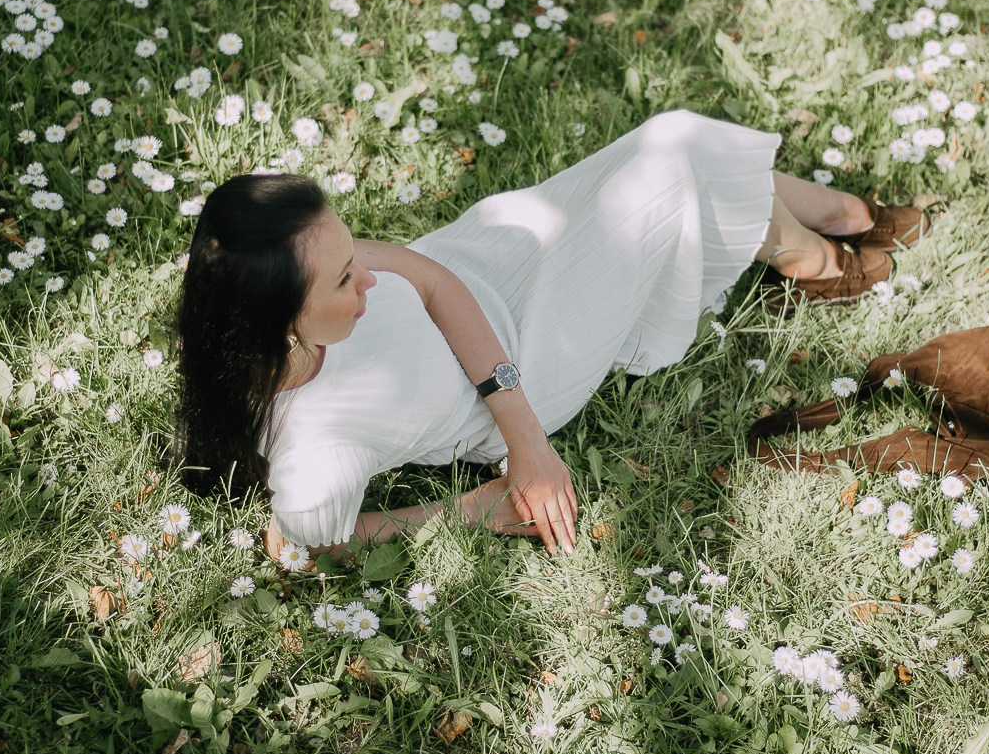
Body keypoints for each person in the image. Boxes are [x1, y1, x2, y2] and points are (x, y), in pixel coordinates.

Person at [171, 108, 931, 564]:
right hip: (538, 352)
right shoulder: (315, 449)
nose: (367, 275)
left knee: (676, 148)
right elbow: (309, 545)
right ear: (280, 321)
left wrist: (525, 442)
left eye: (351, 255)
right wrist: (478, 504)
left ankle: (836, 225)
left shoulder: (283, 273)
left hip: (494, 259)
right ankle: (826, 250)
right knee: (674, 153)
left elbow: (431, 279)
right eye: (344, 281)